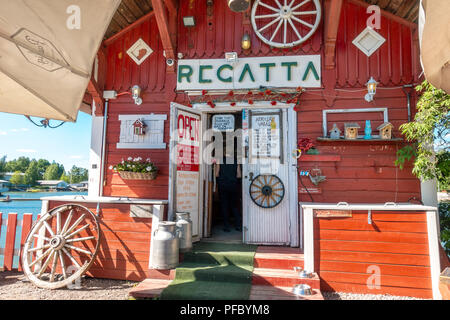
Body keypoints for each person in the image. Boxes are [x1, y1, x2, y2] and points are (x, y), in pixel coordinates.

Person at [214, 155, 242, 232]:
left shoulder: (220, 160)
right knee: (234, 205)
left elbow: (216, 174)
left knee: (224, 205)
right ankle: (238, 226)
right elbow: (239, 175)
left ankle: (227, 227)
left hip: (223, 185)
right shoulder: (237, 161)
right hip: (233, 185)